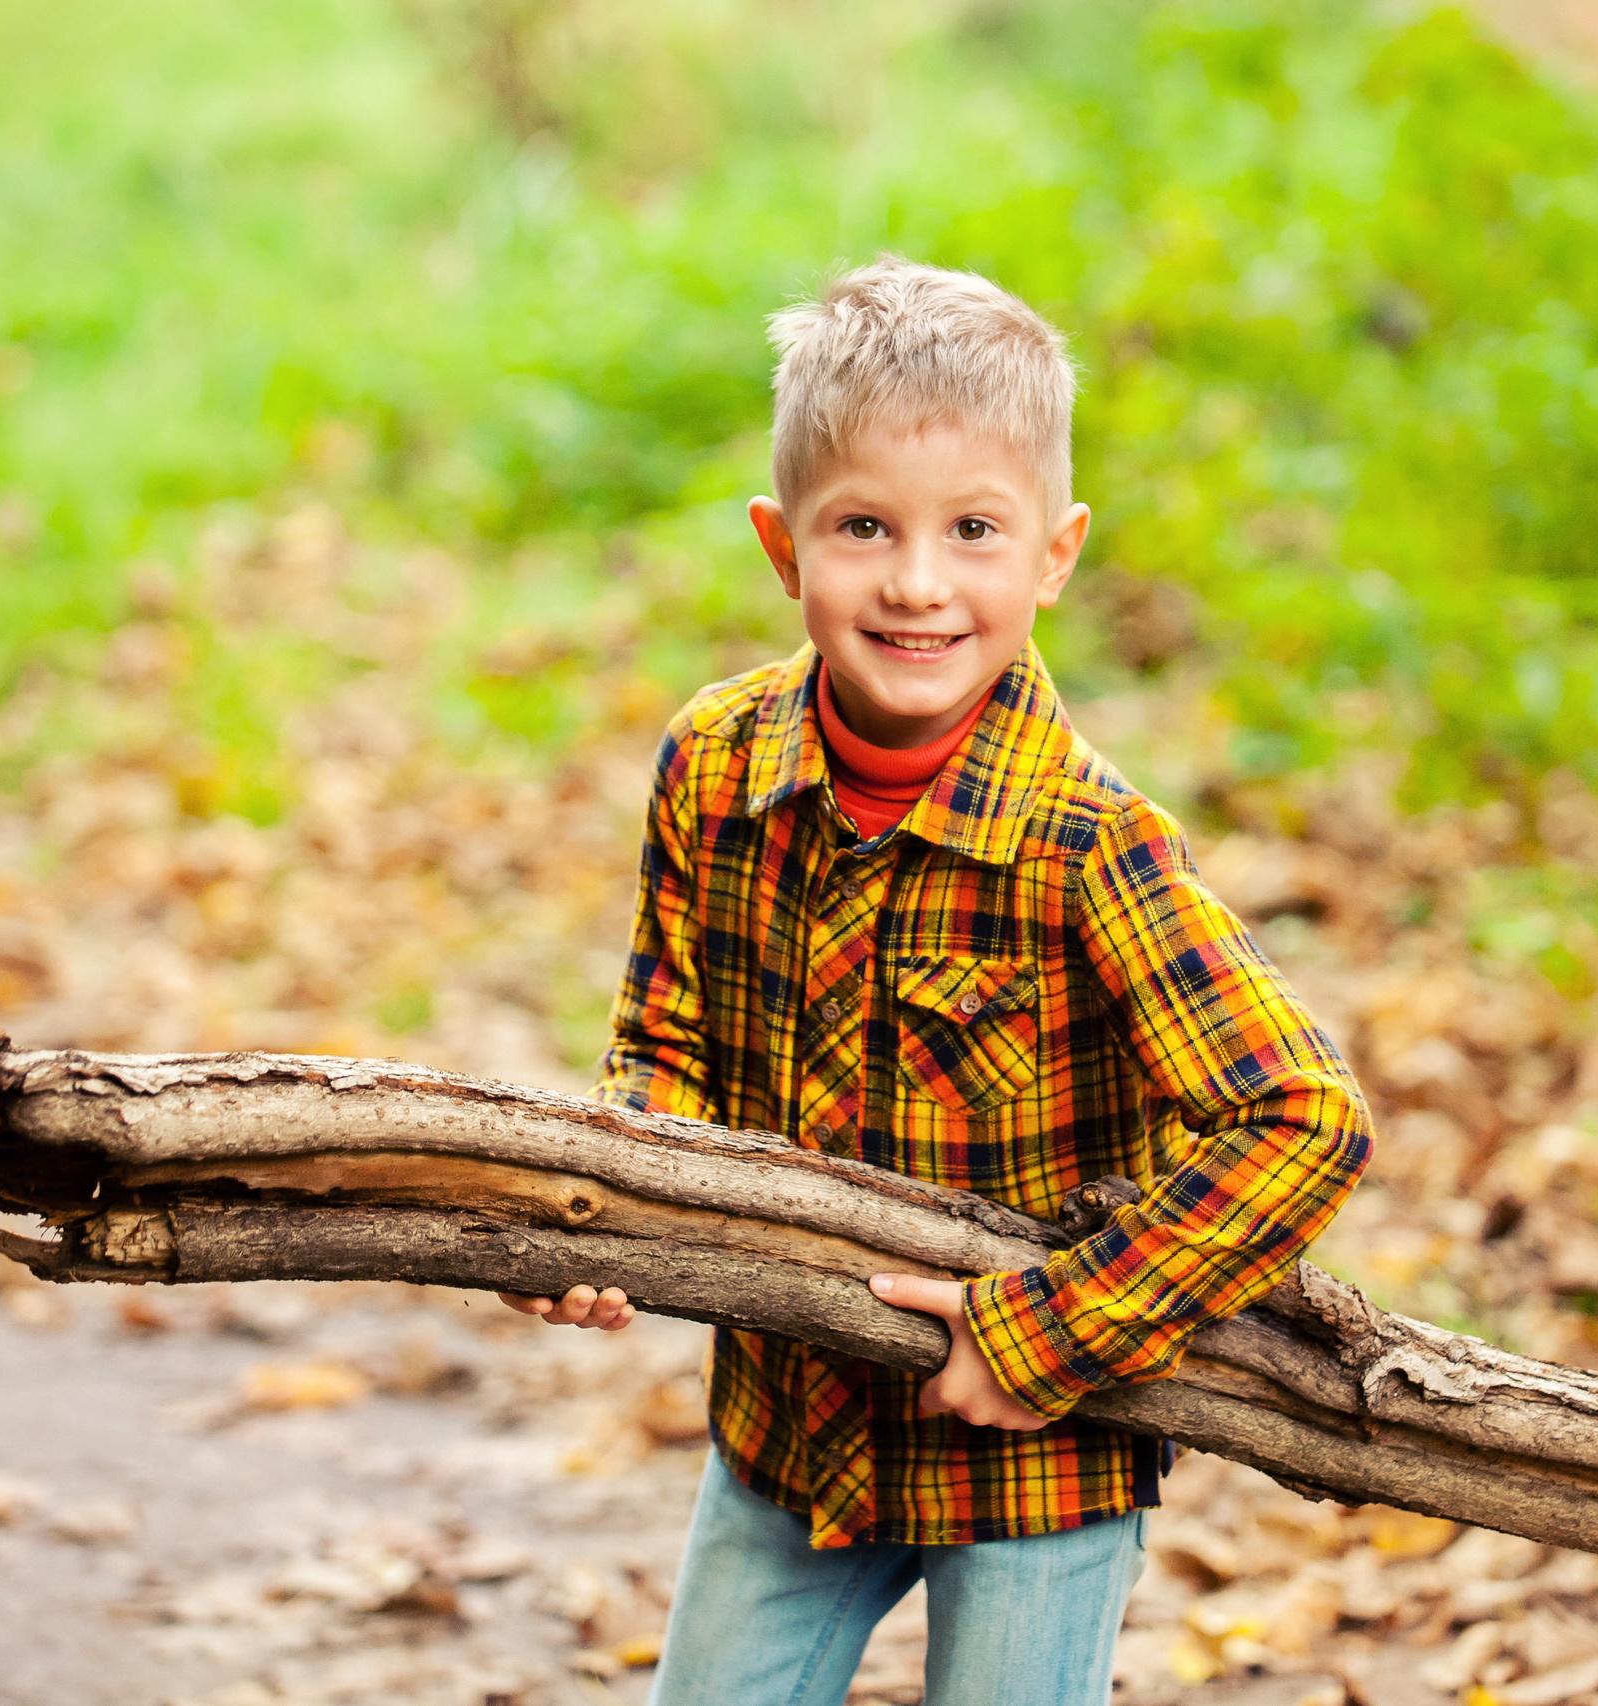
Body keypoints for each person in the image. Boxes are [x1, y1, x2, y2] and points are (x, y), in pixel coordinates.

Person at [496, 257, 1374, 1706]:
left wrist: (1050, 1334)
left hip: (1035, 1459)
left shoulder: (1087, 841)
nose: (916, 581)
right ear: (784, 546)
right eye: (864, 527)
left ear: (1054, 552)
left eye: (973, 528)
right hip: (793, 1427)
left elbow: (1302, 1120)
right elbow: (667, 1039)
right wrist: (605, 1209)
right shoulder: (715, 766)